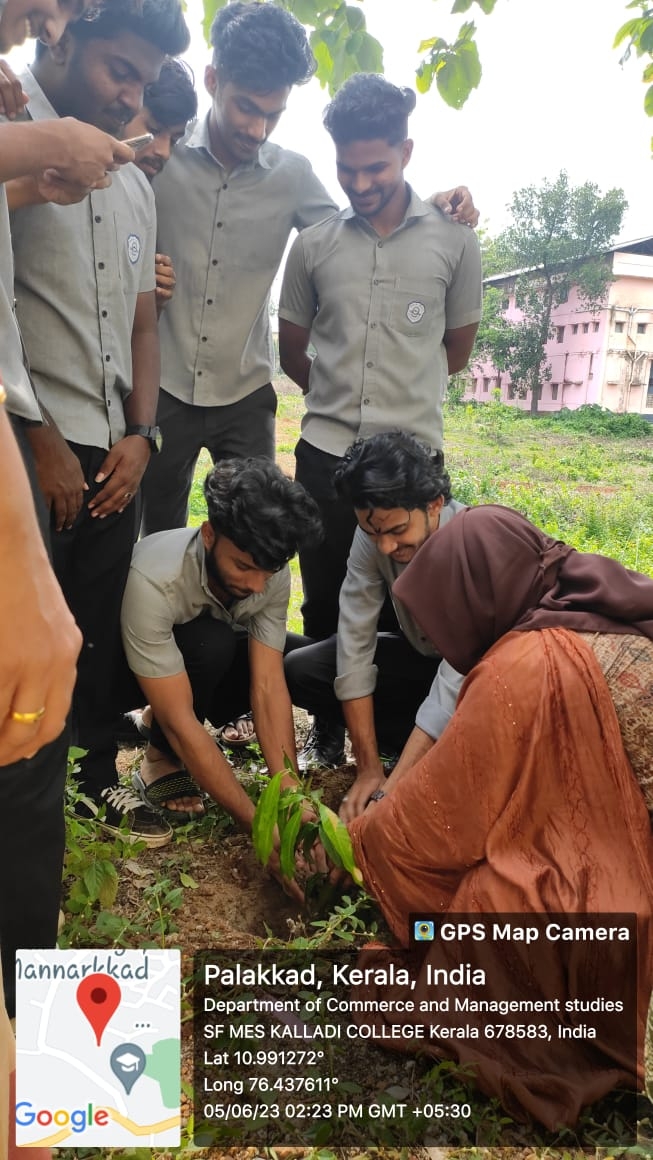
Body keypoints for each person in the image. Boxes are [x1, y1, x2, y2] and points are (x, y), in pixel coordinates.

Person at [346, 503, 653, 1128]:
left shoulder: (524, 664)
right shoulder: (585, 600)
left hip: (625, 868)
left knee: (496, 891)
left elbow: (444, 818)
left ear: (476, 594)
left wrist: (365, 836)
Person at [140, 0, 478, 539]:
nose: (258, 128)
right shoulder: (160, 155)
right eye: (246, 107)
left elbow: (362, 226)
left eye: (273, 114)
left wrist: (434, 207)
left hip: (244, 396)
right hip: (162, 386)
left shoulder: (293, 176)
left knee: (261, 537)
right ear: (213, 80)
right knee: (155, 532)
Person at [7, 0, 190, 847]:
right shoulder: (13, 138)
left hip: (115, 449)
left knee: (90, 629)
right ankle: (27, 811)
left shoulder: (134, 186)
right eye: (120, 70)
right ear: (62, 33)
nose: (129, 99)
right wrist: (38, 437)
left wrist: (142, 437)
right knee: (26, 640)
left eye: (142, 84)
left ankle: (87, 790)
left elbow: (144, 324)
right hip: (26, 445)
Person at [279, 73, 482, 769]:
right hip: (325, 455)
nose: (361, 183)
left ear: (406, 151)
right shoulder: (313, 245)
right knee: (325, 598)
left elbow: (455, 351)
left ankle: (419, 731)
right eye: (347, 168)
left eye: (376, 168)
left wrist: (394, 423)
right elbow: (292, 349)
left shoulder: (454, 241)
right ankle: (330, 732)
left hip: (411, 467)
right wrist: (339, 403)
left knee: (421, 601)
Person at [121, 458, 319, 850]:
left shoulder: (268, 570)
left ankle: (153, 717)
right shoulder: (153, 579)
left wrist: (291, 794)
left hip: (197, 662)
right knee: (209, 642)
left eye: (268, 572)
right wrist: (256, 827)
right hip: (126, 669)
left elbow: (267, 685)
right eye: (243, 566)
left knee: (297, 661)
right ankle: (159, 758)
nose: (257, 585)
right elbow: (181, 721)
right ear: (209, 534)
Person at [285, 431, 466, 819]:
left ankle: (434, 755)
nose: (385, 547)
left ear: (434, 504)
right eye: (373, 532)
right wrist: (368, 769)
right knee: (304, 670)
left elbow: (456, 678)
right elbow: (355, 641)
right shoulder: (373, 535)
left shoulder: (468, 543)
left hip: (475, 680)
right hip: (422, 662)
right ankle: (404, 750)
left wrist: (390, 791)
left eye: (397, 531)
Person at [125, 56, 197, 314]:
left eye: (174, 140)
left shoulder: (143, 198)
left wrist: (152, 297)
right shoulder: (73, 172)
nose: (164, 152)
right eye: (154, 130)